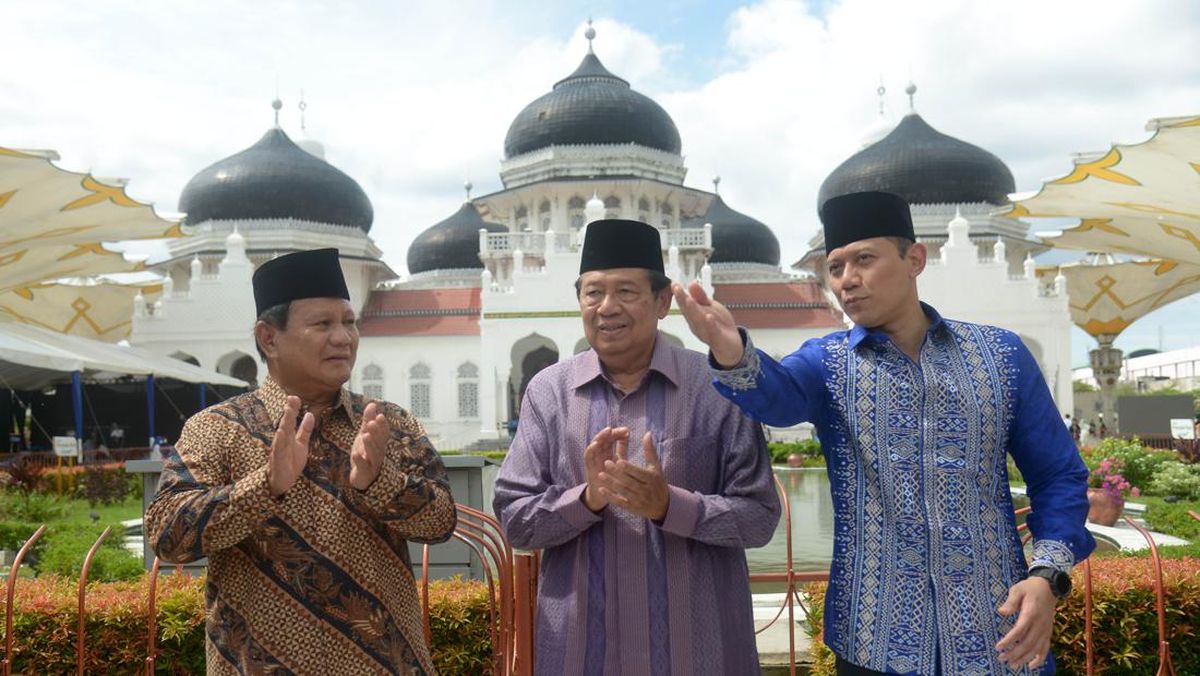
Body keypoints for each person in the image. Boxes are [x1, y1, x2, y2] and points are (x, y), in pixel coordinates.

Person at [674, 191, 1094, 675]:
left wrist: (1047, 577)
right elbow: (777, 396)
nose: (847, 280)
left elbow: (1058, 475)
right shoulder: (829, 363)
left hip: (999, 634)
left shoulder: (999, 356)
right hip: (875, 640)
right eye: (835, 268)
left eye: (865, 260)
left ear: (915, 259)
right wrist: (730, 350)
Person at [145, 248, 457, 675]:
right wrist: (265, 487)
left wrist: (380, 482)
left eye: (349, 322)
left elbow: (441, 523)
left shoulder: (388, 423)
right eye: (322, 324)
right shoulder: (217, 429)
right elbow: (166, 536)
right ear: (269, 338)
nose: (343, 338)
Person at [493, 219, 781, 674]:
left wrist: (670, 506)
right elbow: (515, 521)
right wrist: (587, 499)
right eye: (593, 292)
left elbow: (760, 518)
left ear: (663, 301)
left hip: (697, 655)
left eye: (626, 291)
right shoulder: (549, 393)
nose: (607, 307)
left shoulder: (715, 390)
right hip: (581, 654)